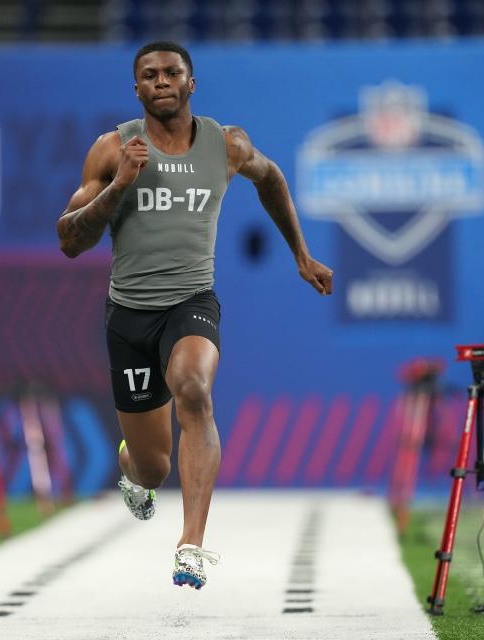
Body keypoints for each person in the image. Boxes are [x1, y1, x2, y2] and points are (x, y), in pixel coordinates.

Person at [56, 41, 333, 588]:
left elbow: (272, 178)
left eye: (172, 73)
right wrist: (117, 188)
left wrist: (299, 252)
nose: (161, 82)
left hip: (191, 302)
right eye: (149, 75)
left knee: (193, 388)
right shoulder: (112, 149)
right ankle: (132, 466)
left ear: (191, 83)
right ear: (136, 89)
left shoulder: (226, 144)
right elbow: (69, 239)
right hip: (129, 315)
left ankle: (190, 546)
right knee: (153, 465)